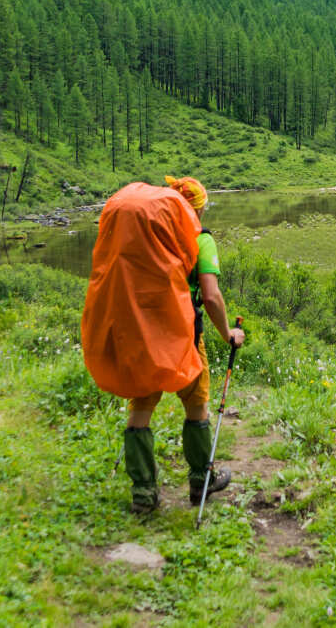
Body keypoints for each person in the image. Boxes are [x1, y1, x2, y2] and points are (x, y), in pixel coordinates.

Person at [122, 175, 245, 514]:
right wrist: (227, 334)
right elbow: (210, 295)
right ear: (198, 209)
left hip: (145, 334)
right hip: (184, 336)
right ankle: (199, 482)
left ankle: (144, 495)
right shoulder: (200, 241)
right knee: (196, 405)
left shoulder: (149, 238)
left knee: (141, 409)